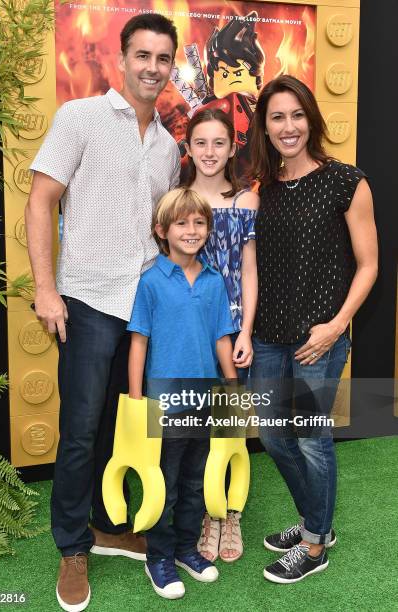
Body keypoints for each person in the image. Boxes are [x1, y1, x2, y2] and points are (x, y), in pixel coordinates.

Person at [25, 14, 181, 612]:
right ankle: (72, 547)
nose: (152, 67)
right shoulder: (80, 118)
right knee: (81, 433)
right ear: (122, 58)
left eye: (163, 58)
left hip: (143, 310)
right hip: (88, 300)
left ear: (172, 66)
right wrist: (46, 288)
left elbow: (160, 231)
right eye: (142, 55)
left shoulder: (169, 147)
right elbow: (41, 200)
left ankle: (103, 525)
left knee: (127, 431)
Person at [248, 75, 378, 583]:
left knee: (308, 436)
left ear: (312, 119)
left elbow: (368, 265)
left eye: (297, 115)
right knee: (274, 434)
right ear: (265, 125)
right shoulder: (266, 189)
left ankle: (315, 544)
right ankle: (315, 524)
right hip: (268, 335)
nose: (288, 127)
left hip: (319, 336)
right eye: (277, 117)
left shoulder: (348, 181)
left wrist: (336, 325)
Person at [127, 187, 237, 599]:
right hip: (165, 401)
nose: (191, 230)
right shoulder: (151, 281)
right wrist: (137, 399)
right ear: (162, 230)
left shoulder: (213, 281)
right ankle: (159, 556)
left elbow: (222, 338)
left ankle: (186, 550)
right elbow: (139, 342)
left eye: (199, 223)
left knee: (196, 481)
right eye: (181, 223)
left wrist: (232, 387)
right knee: (165, 484)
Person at [183, 108, 259, 563]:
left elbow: (249, 269)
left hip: (232, 330)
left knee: (229, 426)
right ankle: (204, 514)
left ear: (233, 148)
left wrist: (246, 330)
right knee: (195, 427)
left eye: (219, 143)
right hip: (190, 331)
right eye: (200, 143)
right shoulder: (176, 198)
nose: (209, 152)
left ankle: (230, 513)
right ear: (188, 148)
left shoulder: (246, 201)